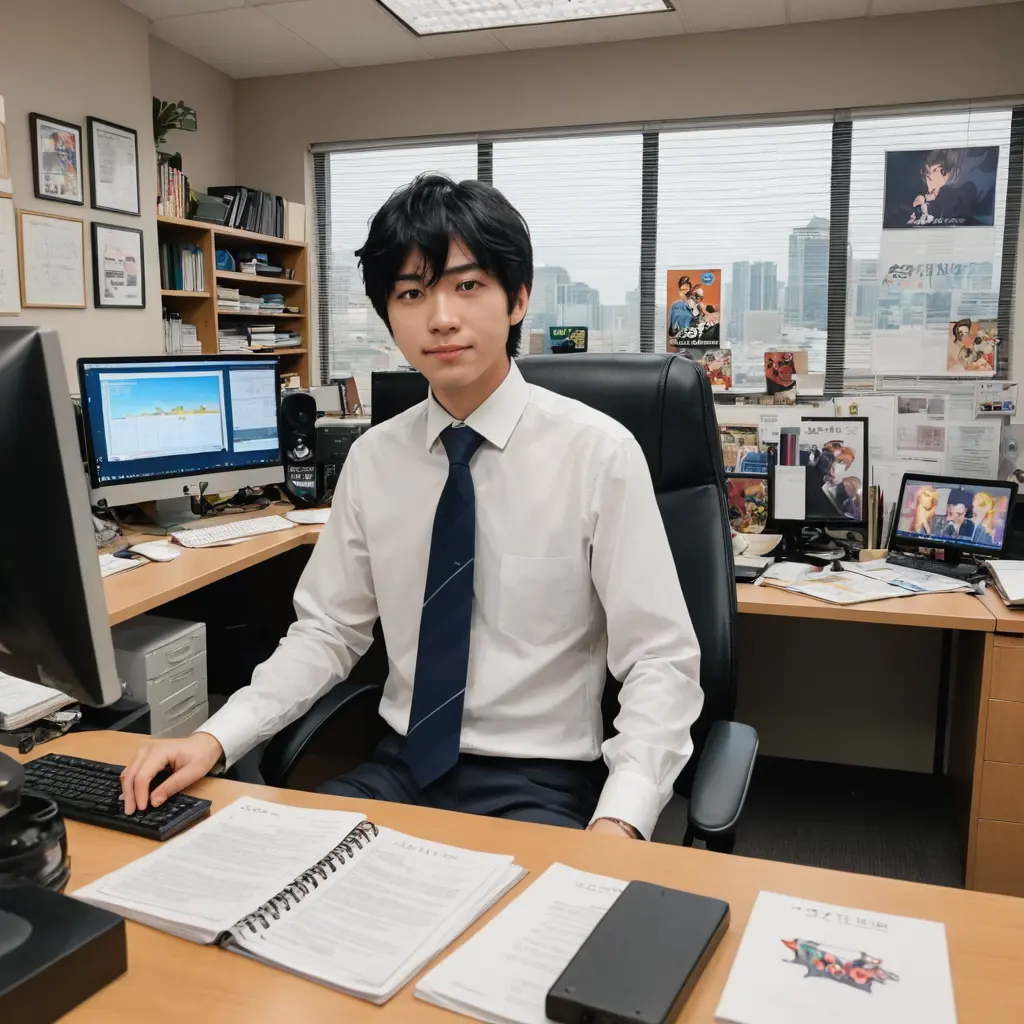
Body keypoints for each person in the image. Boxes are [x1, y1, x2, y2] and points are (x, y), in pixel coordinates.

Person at [120, 174, 703, 842]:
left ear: (518, 298)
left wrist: (621, 819)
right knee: (250, 867)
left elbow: (659, 660)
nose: (441, 317)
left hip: (540, 782)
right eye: (411, 293)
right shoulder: (374, 459)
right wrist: (212, 738)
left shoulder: (598, 454)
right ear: (389, 315)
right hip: (399, 769)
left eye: (468, 285)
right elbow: (327, 633)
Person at [668, 275, 694, 342]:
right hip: (680, 339)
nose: (685, 292)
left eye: (687, 290)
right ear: (679, 291)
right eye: (682, 290)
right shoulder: (675, 305)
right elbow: (672, 328)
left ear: (690, 290)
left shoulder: (696, 305)